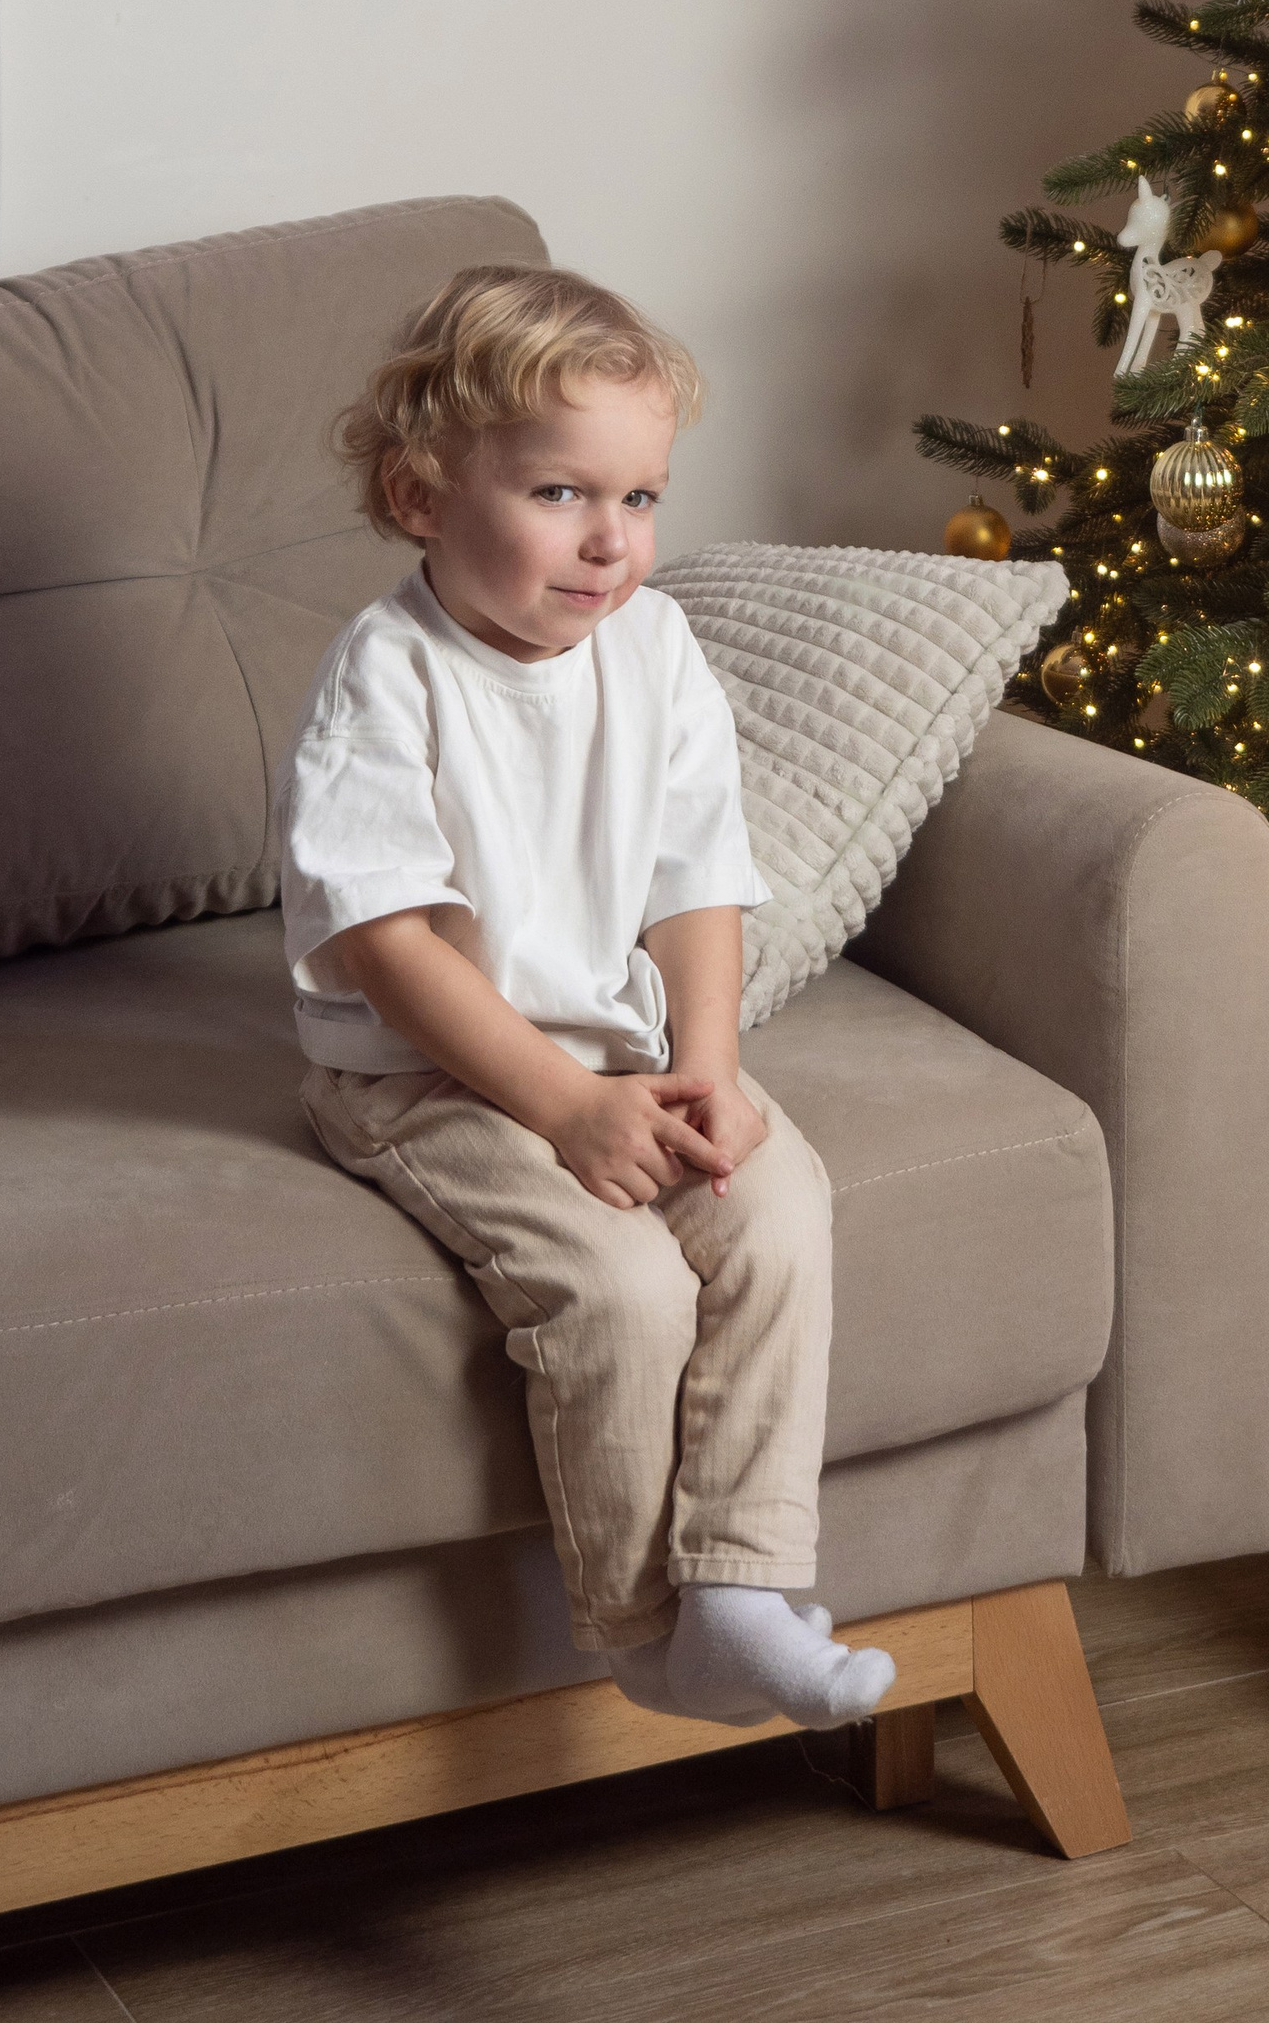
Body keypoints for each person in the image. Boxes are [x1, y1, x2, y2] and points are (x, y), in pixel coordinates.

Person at [282, 266, 895, 1734]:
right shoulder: (388, 677)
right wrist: (561, 1107)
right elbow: (387, 940)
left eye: (641, 496)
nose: (612, 541)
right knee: (616, 1287)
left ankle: (745, 1587)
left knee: (778, 1209)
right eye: (562, 493)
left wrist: (710, 1066)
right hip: (430, 1066)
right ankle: (643, 1630)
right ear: (421, 494)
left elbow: (698, 877)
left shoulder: (656, 644)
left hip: (618, 1040)